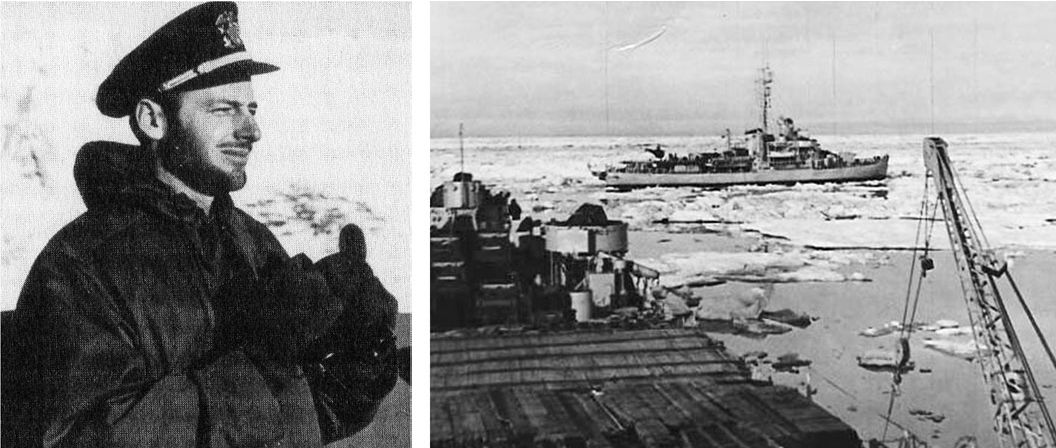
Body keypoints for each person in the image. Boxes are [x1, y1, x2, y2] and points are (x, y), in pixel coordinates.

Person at [2, 3, 398, 447]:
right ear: (153, 119)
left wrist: (361, 359)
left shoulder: (252, 242)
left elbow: (305, 417)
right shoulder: (83, 264)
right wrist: (260, 360)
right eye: (224, 109)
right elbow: (76, 439)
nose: (251, 130)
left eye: (251, 108)